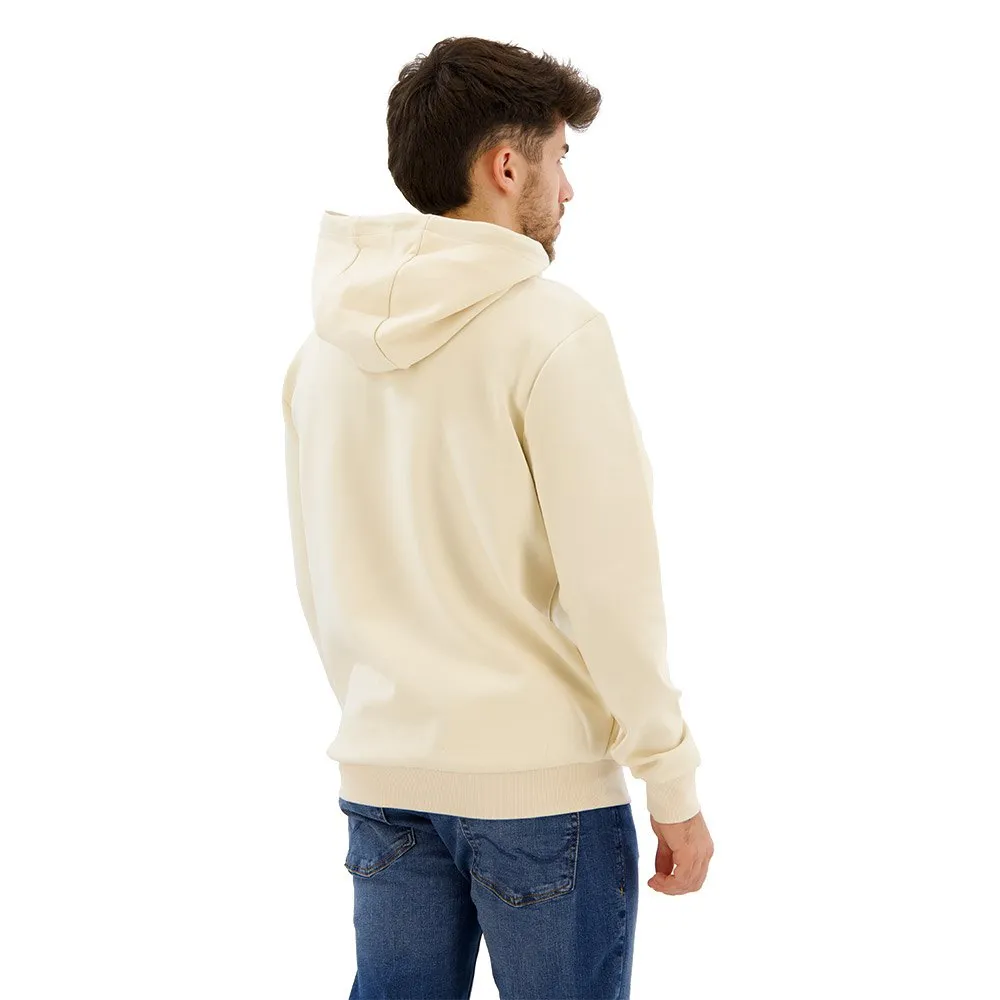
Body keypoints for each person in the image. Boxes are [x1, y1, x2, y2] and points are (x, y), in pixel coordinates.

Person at [281, 34, 714, 999]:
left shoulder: (323, 354)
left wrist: (390, 715)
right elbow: (612, 589)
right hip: (541, 791)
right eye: (560, 157)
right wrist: (671, 780)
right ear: (507, 166)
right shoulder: (553, 333)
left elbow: (321, 580)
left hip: (384, 778)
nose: (569, 189)